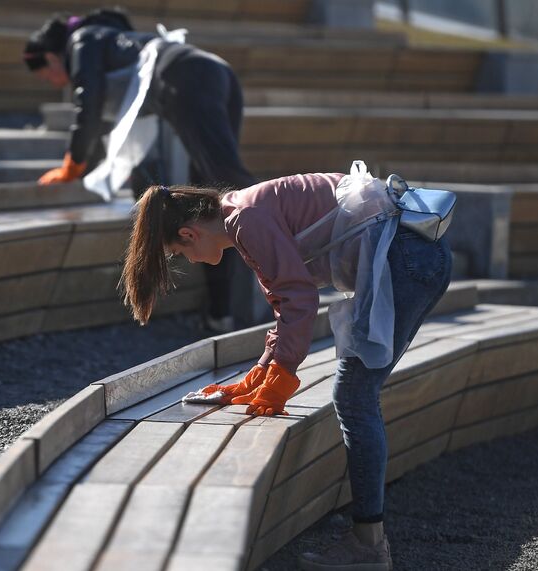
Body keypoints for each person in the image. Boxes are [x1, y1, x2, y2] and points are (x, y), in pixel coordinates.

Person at [119, 167, 453, 570]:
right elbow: (285, 302)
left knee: (353, 397)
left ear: (189, 234)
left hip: (407, 258)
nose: (188, 260)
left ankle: (369, 545)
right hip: (413, 254)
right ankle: (368, 539)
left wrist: (283, 375)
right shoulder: (240, 214)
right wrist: (258, 375)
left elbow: (299, 299)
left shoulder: (245, 219)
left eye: (178, 254)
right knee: (355, 395)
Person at [23, 10, 256, 332]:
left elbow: (87, 103)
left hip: (188, 75)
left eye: (47, 74)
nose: (53, 82)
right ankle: (221, 312)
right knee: (215, 196)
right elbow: (112, 124)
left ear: (51, 56)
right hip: (215, 70)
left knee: (234, 189)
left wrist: (71, 166)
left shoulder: (83, 39)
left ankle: (288, 247)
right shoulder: (113, 42)